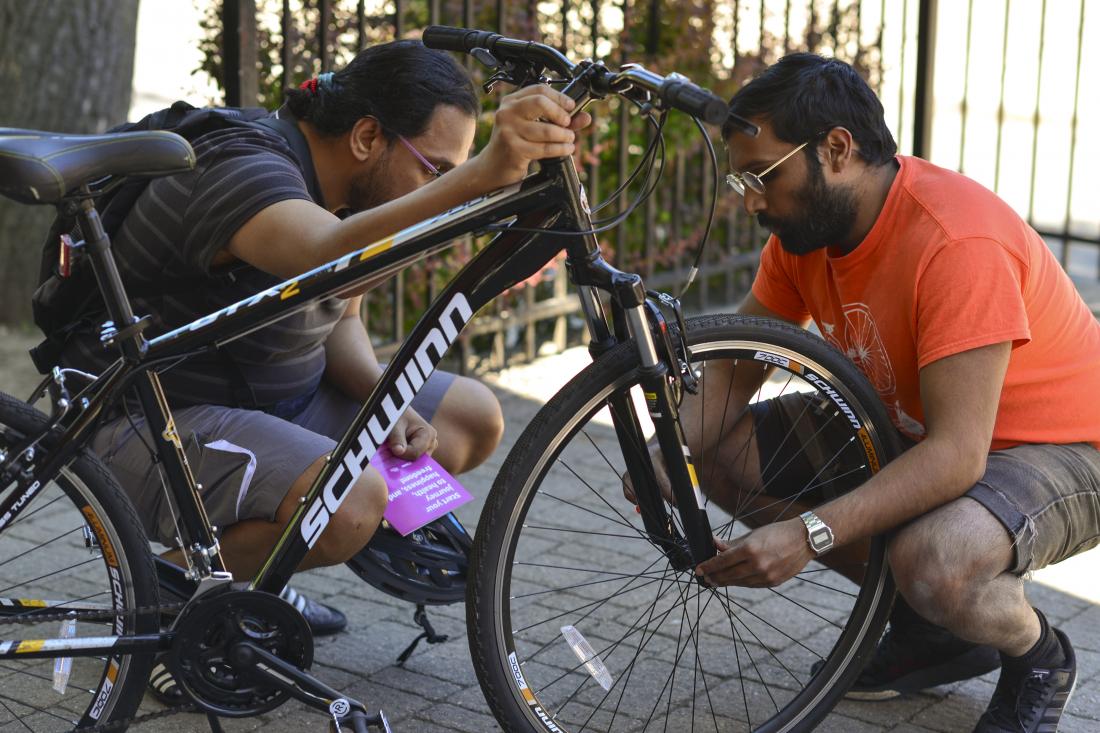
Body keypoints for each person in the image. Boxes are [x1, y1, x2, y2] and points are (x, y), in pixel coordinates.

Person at [65, 39, 589, 699]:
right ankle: (166, 593)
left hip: (271, 403)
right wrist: (483, 174)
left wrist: (386, 400)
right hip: (146, 423)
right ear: (369, 136)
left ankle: (262, 578)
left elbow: (339, 317)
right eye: (439, 170)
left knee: (469, 418)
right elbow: (324, 253)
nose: (449, 191)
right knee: (352, 498)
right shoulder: (244, 169)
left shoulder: (348, 186)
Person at [664, 53, 1098, 732]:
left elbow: (959, 457)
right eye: (740, 178)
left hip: (1064, 444)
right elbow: (733, 372)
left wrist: (809, 534)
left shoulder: (956, 241)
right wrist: (671, 453)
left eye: (762, 175)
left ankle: (1037, 655)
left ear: (836, 149)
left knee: (936, 557)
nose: (750, 201)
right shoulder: (805, 234)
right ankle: (936, 630)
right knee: (721, 453)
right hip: (923, 428)